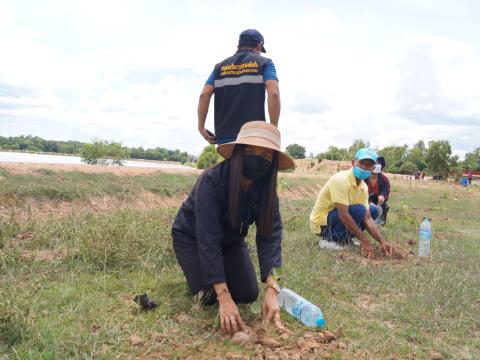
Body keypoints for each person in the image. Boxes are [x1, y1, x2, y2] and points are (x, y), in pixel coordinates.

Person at [172, 121, 294, 335]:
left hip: (231, 240)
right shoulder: (211, 180)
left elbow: (270, 237)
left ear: (272, 163)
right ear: (238, 152)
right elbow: (207, 238)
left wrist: (273, 289)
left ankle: (218, 276)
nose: (257, 159)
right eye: (250, 151)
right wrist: (224, 296)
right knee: (209, 296)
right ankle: (203, 276)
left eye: (266, 156)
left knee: (247, 293)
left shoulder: (267, 191)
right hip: (192, 238)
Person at [197, 29, 280, 145]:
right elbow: (274, 93)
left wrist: (201, 127)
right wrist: (273, 129)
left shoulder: (219, 67)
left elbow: (203, 95)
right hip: (253, 135)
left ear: (238, 46)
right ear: (259, 45)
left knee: (230, 163)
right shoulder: (265, 63)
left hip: (224, 138)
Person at [309, 148, 394, 257]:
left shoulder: (363, 186)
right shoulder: (341, 179)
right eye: (361, 163)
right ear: (353, 163)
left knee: (373, 211)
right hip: (322, 223)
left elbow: (367, 218)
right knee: (359, 210)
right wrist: (365, 241)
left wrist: (382, 241)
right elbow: (343, 215)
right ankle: (328, 240)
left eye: (368, 165)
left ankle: (344, 238)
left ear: (373, 168)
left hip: (336, 219)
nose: (364, 167)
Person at [365, 156, 391, 224]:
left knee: (385, 205)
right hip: (364, 199)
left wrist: (382, 195)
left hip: (378, 200)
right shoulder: (364, 177)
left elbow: (386, 189)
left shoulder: (384, 179)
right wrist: (369, 202)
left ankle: (382, 221)